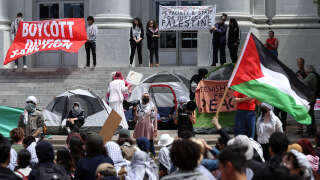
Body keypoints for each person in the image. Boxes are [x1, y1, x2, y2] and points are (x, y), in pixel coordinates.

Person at [302, 65, 318, 136]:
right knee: (311, 115)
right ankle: (312, 131)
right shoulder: (314, 75)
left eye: (306, 70)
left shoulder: (311, 75)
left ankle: (310, 132)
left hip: (310, 98)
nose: (305, 71)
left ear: (309, 70)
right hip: (312, 97)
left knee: (309, 115)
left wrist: (299, 78)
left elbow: (304, 82)